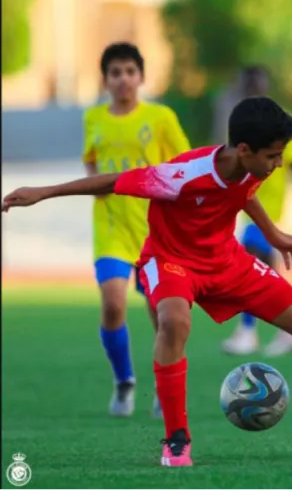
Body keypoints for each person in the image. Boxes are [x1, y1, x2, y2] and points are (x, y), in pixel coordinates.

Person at [3, 97, 292, 467]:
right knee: (174, 322)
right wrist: (43, 191)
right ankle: (176, 440)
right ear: (243, 149)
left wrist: (273, 235)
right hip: (171, 260)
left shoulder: (252, 167)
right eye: (273, 156)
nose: (278, 164)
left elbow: (244, 192)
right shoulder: (182, 174)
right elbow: (115, 181)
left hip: (226, 261)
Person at [83, 42, 191, 418]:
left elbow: (183, 164)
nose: (123, 79)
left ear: (141, 76)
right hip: (111, 229)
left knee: (162, 315)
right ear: (106, 80)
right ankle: (124, 380)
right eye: (115, 73)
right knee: (113, 305)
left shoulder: (161, 117)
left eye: (130, 71)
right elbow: (92, 163)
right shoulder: (94, 119)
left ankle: (166, 386)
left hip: (154, 232)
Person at [219, 66, 292, 357]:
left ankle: (249, 332)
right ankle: (290, 330)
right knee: (263, 269)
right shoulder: (241, 123)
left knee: (250, 263)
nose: (252, 88)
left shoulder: (279, 124)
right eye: (248, 84)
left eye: (257, 83)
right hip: (248, 205)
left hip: (268, 207)